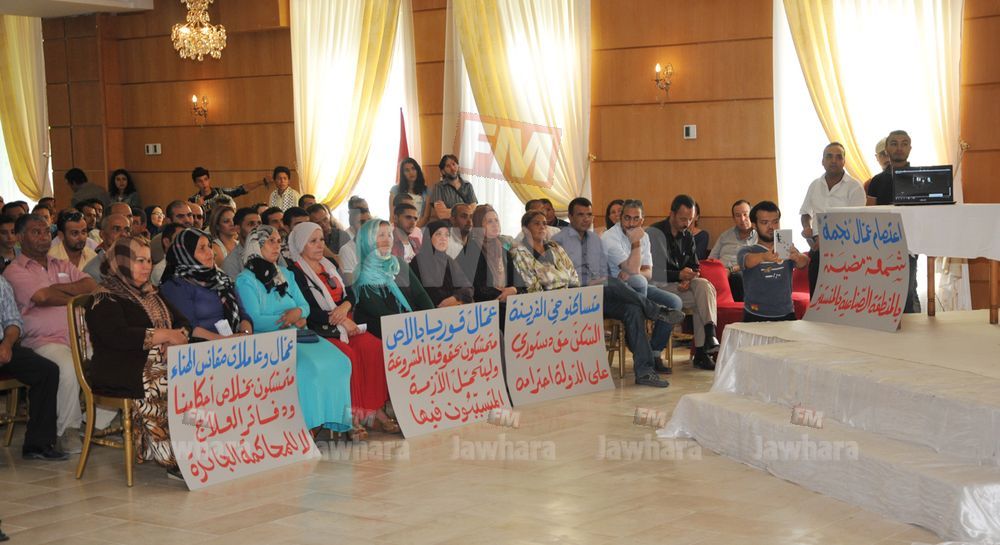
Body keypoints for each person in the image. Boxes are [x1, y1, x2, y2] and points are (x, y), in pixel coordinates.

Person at [4, 214, 112, 454]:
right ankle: (67, 430)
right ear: (20, 238)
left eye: (46, 231)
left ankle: (92, 421)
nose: (44, 237)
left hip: (82, 336)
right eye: (36, 232)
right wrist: (71, 295)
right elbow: (42, 297)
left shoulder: (60, 264)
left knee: (114, 358)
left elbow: (91, 287)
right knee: (67, 367)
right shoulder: (15, 271)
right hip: (43, 341)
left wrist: (56, 289)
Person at [86, 236, 191, 479]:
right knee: (162, 375)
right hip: (117, 366)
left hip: (150, 361)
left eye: (149, 261)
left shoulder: (151, 292)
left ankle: (198, 443)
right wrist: (163, 335)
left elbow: (183, 322)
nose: (147, 267)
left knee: (196, 374)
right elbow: (117, 336)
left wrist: (175, 338)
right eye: (139, 261)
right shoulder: (104, 297)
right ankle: (173, 458)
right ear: (121, 262)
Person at [234, 225, 353, 434]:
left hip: (299, 335)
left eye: (278, 241)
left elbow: (304, 306)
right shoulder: (246, 280)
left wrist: (298, 312)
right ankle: (306, 427)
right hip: (270, 340)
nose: (277, 246)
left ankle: (327, 419)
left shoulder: (285, 274)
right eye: (270, 241)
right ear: (256, 245)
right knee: (310, 369)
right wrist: (288, 319)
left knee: (341, 362)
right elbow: (254, 319)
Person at [552, 198, 684, 386]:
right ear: (570, 217)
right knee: (612, 281)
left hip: (603, 295)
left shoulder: (594, 239)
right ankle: (654, 310)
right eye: (580, 215)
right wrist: (589, 281)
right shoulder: (558, 241)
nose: (586, 219)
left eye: (589, 214)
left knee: (633, 309)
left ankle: (645, 372)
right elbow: (559, 275)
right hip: (577, 296)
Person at [286, 222, 398, 437]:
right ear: (300, 245)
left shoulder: (328, 265)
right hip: (321, 329)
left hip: (345, 323)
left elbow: (350, 293)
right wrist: (340, 320)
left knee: (373, 348)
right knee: (348, 355)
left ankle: (374, 410)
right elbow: (308, 309)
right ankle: (352, 418)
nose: (320, 245)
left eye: (321, 240)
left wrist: (345, 308)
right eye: (313, 241)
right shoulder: (295, 273)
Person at [599, 199, 685, 366]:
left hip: (639, 286)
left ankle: (653, 352)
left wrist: (634, 271)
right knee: (638, 281)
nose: (631, 223)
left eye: (636, 219)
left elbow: (648, 273)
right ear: (620, 218)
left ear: (642, 220)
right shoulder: (610, 237)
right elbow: (634, 269)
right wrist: (635, 245)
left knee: (674, 302)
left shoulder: (644, 236)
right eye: (627, 218)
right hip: (616, 290)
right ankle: (638, 341)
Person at [647, 195, 720, 370]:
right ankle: (703, 349)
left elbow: (695, 266)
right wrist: (678, 275)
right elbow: (651, 272)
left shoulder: (687, 235)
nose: (687, 223)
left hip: (681, 286)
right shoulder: (653, 233)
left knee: (703, 286)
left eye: (690, 219)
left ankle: (707, 339)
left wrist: (689, 277)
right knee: (703, 299)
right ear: (671, 214)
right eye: (683, 219)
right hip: (659, 287)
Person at [0, 274, 65, 460]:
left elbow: (13, 322)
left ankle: (38, 444)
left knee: (47, 371)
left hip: (3, 345)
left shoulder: (1, 283)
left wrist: (7, 344)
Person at [800, 142, 867, 296]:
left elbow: (856, 223)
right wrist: (806, 227)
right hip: (817, 249)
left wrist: (828, 239)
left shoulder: (855, 187)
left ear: (844, 161)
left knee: (843, 297)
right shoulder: (814, 185)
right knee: (817, 296)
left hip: (845, 253)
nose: (833, 161)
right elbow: (805, 213)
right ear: (822, 161)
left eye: (838, 157)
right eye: (829, 156)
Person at [159, 228, 253, 337]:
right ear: (187, 254)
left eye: (209, 246)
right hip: (202, 345)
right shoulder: (176, 285)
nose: (210, 252)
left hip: (234, 342)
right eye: (202, 248)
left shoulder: (221, 278)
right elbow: (188, 327)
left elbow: (243, 315)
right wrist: (225, 341)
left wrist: (245, 334)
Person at [351, 219, 434, 339]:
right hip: (385, 334)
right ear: (368, 240)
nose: (387, 240)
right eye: (381, 235)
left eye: (389, 235)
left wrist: (432, 318)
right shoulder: (362, 277)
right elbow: (383, 314)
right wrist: (417, 328)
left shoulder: (398, 263)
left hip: (412, 326)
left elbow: (420, 295)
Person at [866, 130, 920, 313]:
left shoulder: (918, 178)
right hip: (881, 244)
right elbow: (869, 212)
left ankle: (911, 330)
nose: (899, 148)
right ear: (887, 149)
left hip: (909, 244)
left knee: (907, 293)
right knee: (883, 293)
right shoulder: (876, 181)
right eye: (894, 144)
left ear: (910, 149)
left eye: (904, 144)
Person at [739, 201, 809, 322]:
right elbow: (747, 261)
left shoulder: (785, 247)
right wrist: (763, 257)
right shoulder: (747, 250)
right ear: (754, 225)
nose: (771, 227)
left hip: (786, 314)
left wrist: (797, 257)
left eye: (775, 222)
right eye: (764, 222)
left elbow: (804, 262)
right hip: (755, 314)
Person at [464, 205, 521, 306]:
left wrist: (514, 289)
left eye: (496, 220)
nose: (495, 225)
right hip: (484, 308)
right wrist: (505, 294)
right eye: (489, 221)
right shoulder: (471, 251)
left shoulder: (504, 251)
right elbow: (479, 290)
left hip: (508, 305)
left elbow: (520, 282)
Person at [511, 211, 579, 292]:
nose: (542, 227)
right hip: (542, 298)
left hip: (569, 295)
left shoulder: (556, 248)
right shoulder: (519, 254)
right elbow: (532, 288)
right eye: (537, 224)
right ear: (525, 230)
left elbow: (574, 277)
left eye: (544, 223)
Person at [410, 221, 474, 308]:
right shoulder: (418, 261)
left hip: (454, 309)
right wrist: (459, 297)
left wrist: (455, 298)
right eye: (438, 234)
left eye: (447, 235)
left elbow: (468, 287)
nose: (443, 238)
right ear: (428, 237)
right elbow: (433, 295)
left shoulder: (449, 260)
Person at [709, 199, 757, 301]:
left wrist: (730, 270)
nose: (742, 219)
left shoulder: (759, 237)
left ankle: (740, 309)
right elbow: (711, 259)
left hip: (742, 274)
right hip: (721, 274)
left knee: (736, 277)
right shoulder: (725, 236)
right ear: (734, 218)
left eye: (745, 214)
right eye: (738, 215)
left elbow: (757, 261)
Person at [188, 166, 268, 213]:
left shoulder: (221, 192)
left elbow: (241, 189)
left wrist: (262, 182)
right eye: (200, 181)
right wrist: (196, 206)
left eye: (205, 179)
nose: (204, 183)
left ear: (209, 180)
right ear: (195, 184)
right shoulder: (193, 200)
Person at [82, 214, 132, 282]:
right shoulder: (93, 271)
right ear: (102, 234)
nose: (123, 234)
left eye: (127, 230)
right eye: (116, 229)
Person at [429, 154, 477, 219]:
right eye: (448, 166)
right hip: (447, 224)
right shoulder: (438, 187)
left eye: (454, 164)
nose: (452, 168)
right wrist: (465, 211)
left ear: (458, 166)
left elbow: (473, 210)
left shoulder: (468, 185)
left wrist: (450, 211)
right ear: (443, 171)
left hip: (466, 224)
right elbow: (442, 214)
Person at [222, 207, 262, 279]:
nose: (257, 228)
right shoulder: (231, 262)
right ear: (238, 229)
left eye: (259, 224)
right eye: (251, 224)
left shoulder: (271, 250)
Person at [390, 158, 431, 227]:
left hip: (419, 227)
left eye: (413, 169)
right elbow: (392, 216)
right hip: (399, 228)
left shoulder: (426, 190)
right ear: (402, 173)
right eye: (407, 170)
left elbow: (426, 217)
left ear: (417, 170)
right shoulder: (395, 190)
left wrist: (413, 230)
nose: (411, 172)